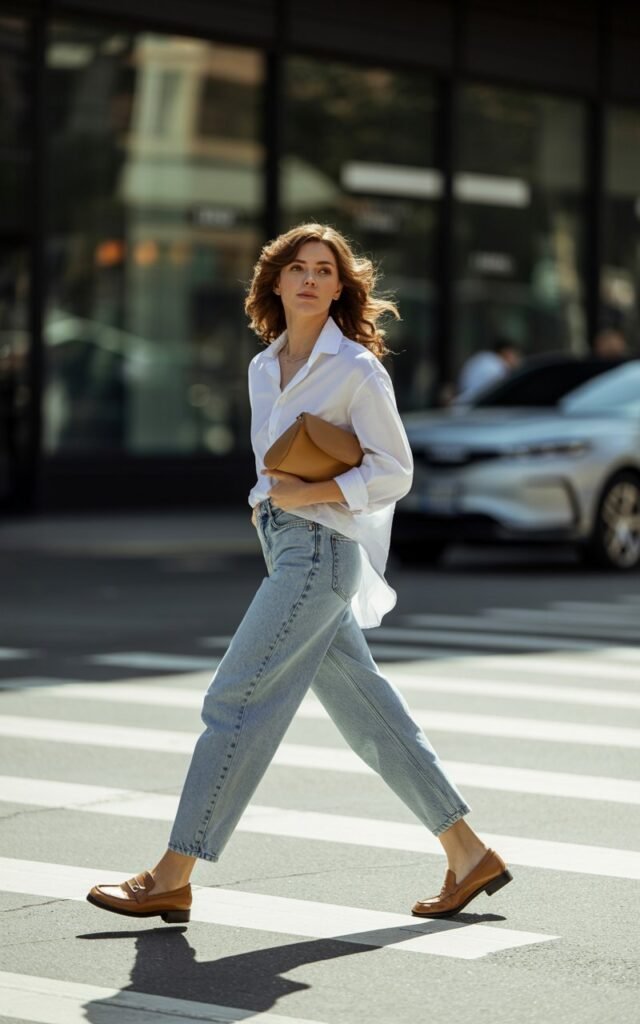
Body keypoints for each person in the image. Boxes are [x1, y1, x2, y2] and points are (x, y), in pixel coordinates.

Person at [86, 224, 512, 924]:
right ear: (276, 282)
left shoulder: (357, 370)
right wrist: (265, 506)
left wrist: (305, 496)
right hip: (286, 546)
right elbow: (272, 467)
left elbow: (395, 471)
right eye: (298, 268)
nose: (311, 279)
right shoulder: (263, 368)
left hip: (320, 551)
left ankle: (172, 872)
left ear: (339, 288)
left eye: (324, 270)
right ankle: (469, 855)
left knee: (235, 702)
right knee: (371, 716)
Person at [456, 337, 521, 402]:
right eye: (516, 355)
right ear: (506, 352)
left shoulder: (485, 357)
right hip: (476, 405)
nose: (518, 360)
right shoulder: (497, 366)